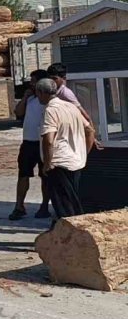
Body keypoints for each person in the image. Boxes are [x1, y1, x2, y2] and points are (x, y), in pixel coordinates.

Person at [37, 77, 96, 221]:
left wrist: (47, 163)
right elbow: (90, 130)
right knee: (72, 202)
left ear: (41, 93)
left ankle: (73, 238)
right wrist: (83, 154)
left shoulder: (51, 110)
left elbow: (49, 140)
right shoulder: (71, 107)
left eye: (37, 93)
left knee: (65, 208)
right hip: (75, 162)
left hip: (59, 163)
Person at [10, 70, 51, 220]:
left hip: (42, 142)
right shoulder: (32, 99)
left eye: (34, 81)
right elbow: (18, 112)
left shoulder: (48, 100)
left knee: (45, 175)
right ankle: (19, 206)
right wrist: (26, 97)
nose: (31, 84)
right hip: (28, 142)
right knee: (23, 174)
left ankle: (45, 205)